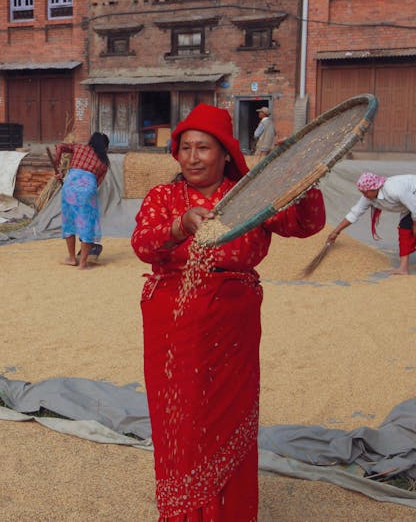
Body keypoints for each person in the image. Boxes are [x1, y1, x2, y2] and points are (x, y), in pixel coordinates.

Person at [130, 104, 326, 520]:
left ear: (225, 155)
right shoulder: (164, 197)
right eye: (185, 148)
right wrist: (179, 226)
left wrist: (305, 180)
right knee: (179, 417)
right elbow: (143, 245)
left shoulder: (250, 197)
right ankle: (182, 509)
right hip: (172, 319)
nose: (192, 157)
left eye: (203, 148)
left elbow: (304, 225)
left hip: (232, 321)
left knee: (227, 414)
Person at [327, 172, 416, 275]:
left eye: (366, 192)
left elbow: (415, 204)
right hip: (410, 204)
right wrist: (335, 232)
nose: (364, 195)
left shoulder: (394, 190)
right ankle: (403, 268)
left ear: (375, 187)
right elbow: (354, 213)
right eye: (362, 192)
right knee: (404, 231)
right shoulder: (368, 197)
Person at [55, 132, 110, 269]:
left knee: (69, 221)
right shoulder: (104, 162)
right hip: (88, 189)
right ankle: (83, 263)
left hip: (70, 186)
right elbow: (97, 183)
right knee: (87, 223)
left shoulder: (79, 148)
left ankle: (72, 258)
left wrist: (58, 168)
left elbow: (60, 146)